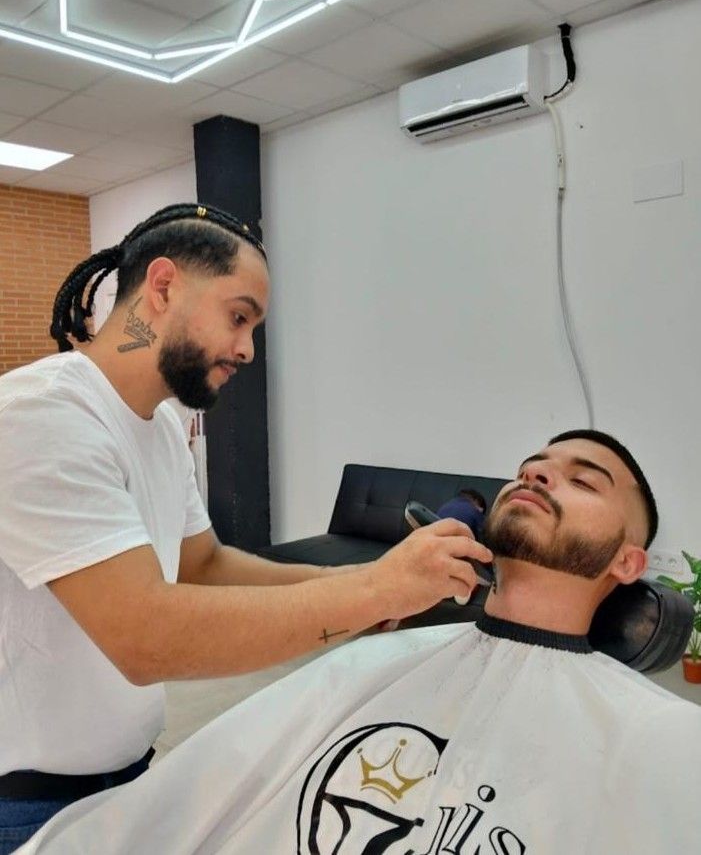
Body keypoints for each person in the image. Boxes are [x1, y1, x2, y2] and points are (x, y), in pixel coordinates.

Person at [0, 203, 492, 852]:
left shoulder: (162, 426)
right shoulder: (45, 416)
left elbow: (205, 565)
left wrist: (355, 579)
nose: (246, 349)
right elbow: (144, 637)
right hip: (27, 801)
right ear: (164, 286)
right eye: (238, 317)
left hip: (124, 771)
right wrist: (373, 595)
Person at [15, 429, 701, 854]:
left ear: (627, 563)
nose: (536, 473)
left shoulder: (663, 736)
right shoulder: (367, 666)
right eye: (531, 466)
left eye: (583, 480)